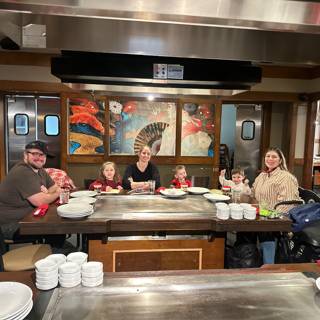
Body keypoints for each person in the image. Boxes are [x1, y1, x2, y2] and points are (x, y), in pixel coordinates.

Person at [0, 140, 64, 247]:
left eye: (43, 155)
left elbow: (55, 187)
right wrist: (56, 193)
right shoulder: (22, 172)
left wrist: (47, 193)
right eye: (35, 154)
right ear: (25, 155)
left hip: (30, 218)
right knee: (57, 227)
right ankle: (55, 255)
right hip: (11, 225)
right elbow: (40, 201)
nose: (39, 158)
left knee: (58, 224)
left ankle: (55, 251)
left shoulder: (40, 170)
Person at [243, 147, 301, 264]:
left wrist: (271, 217)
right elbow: (253, 192)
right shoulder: (263, 175)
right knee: (243, 229)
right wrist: (241, 188)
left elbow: (288, 203)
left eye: (274, 157)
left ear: (280, 161)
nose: (270, 159)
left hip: (275, 217)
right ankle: (248, 260)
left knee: (265, 231)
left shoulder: (285, 177)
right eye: (268, 156)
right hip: (261, 212)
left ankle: (268, 266)